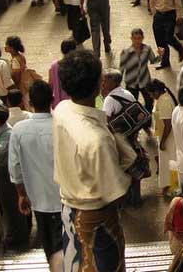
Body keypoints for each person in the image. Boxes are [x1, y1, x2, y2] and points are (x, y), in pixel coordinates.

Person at [54, 49, 135, 272]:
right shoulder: (97, 141)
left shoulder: (61, 109)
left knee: (75, 262)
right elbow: (117, 191)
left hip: (69, 207)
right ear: (99, 84)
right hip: (97, 220)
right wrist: (132, 165)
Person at [8, 80, 63, 272]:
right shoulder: (62, 126)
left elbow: (14, 168)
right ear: (53, 100)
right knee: (67, 244)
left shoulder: (19, 130)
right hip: (66, 197)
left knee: (48, 242)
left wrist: (21, 194)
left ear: (29, 102)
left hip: (38, 199)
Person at [0, 103, 31, 248]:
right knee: (7, 203)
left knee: (12, 203)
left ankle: (19, 237)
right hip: (3, 170)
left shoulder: (7, 133)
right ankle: (14, 235)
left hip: (8, 171)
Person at [101, 71, 143, 208]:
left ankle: (123, 201)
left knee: (122, 169)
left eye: (105, 80)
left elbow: (105, 122)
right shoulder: (127, 94)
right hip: (132, 136)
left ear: (113, 82)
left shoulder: (110, 99)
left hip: (119, 140)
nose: (103, 83)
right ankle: (136, 198)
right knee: (134, 166)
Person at [149, 0, 183, 68]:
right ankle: (165, 62)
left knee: (169, 37)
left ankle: (179, 48)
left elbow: (177, 2)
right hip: (158, 16)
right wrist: (154, 14)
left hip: (170, 14)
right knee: (159, 40)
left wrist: (179, 15)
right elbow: (151, 3)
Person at [118, 28, 160, 116]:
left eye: (139, 38)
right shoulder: (126, 52)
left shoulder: (147, 49)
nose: (137, 41)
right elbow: (121, 69)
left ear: (142, 38)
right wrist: (117, 84)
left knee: (149, 102)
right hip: (131, 83)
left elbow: (153, 61)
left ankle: (146, 121)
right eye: (135, 38)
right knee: (132, 106)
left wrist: (160, 55)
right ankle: (135, 124)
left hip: (145, 81)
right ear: (131, 39)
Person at [48, 38, 77, 109]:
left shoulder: (54, 66)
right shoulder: (77, 65)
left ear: (62, 50)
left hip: (59, 102)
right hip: (75, 102)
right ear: (75, 50)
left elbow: (50, 85)